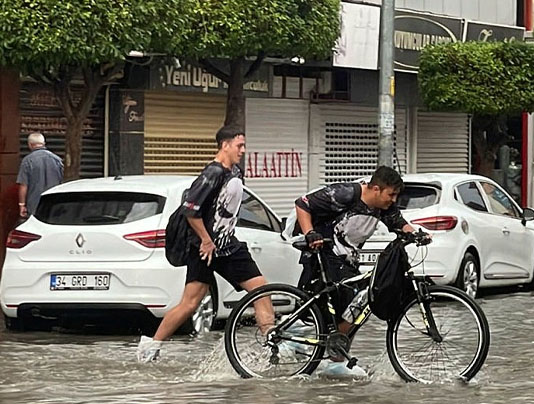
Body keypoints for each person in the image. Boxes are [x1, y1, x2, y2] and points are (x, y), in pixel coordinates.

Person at [137, 125, 274, 363]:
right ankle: (150, 347)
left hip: (223, 246)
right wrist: (206, 241)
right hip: (210, 248)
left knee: (257, 291)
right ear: (225, 145)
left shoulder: (235, 172)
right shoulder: (212, 173)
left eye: (244, 145)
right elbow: (191, 210)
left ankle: (272, 345)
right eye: (239, 145)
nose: (243, 150)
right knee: (194, 302)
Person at [294, 166, 417, 378]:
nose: (394, 200)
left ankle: (334, 356)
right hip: (324, 254)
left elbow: (399, 223)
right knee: (358, 299)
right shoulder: (347, 194)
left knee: (355, 306)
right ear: (376, 189)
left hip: (346, 261)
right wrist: (310, 233)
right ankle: (324, 350)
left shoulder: (382, 207)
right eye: (391, 194)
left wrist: (417, 235)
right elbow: (303, 203)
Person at [17, 133, 63, 219]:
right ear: (44, 143)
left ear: (30, 145)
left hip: (34, 205)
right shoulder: (57, 160)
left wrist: (22, 205)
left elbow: (23, 185)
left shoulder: (27, 161)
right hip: (55, 204)